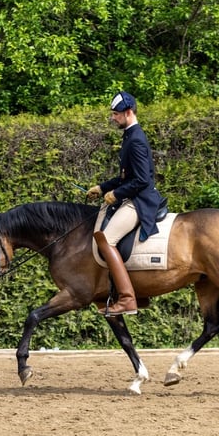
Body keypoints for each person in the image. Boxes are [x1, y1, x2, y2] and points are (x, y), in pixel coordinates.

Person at [87, 91, 164, 317]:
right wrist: (102, 188)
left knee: (106, 240)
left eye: (116, 114)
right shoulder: (130, 135)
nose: (113, 118)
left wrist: (116, 194)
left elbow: (142, 180)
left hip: (140, 201)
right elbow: (125, 177)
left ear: (128, 113)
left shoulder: (137, 139)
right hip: (132, 195)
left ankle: (128, 299)